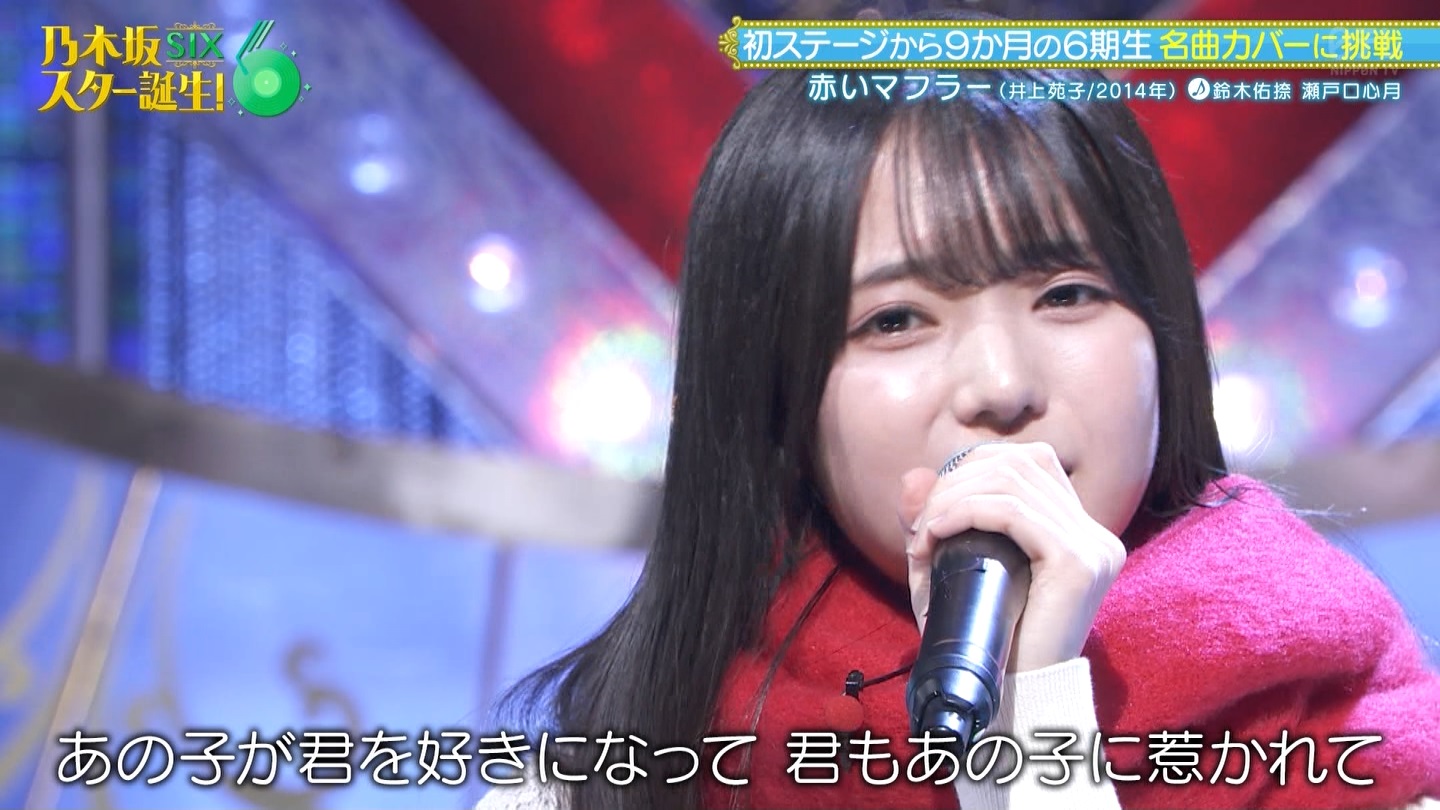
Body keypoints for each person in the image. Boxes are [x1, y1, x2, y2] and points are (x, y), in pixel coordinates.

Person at [476, 10, 1440, 809]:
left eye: (1067, 294)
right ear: (771, 393)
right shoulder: (601, 777)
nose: (1001, 386)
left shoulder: (1349, 737)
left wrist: (1036, 713)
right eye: (895, 319)